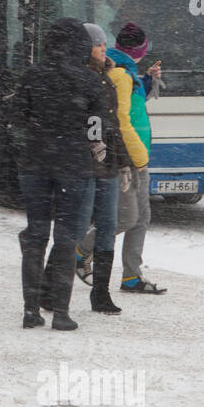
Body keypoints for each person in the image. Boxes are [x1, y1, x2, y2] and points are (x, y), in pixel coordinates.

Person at [9, 19, 109, 331]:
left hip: (35, 164)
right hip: (74, 166)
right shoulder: (90, 81)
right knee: (66, 238)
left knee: (36, 234)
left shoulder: (32, 75)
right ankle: (61, 313)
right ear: (80, 45)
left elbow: (15, 116)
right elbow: (98, 128)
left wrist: (36, 137)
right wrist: (96, 154)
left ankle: (30, 311)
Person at [101, 21, 166, 295]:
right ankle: (82, 249)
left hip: (134, 152)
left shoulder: (126, 70)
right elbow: (121, 118)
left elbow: (133, 104)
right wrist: (136, 157)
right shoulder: (119, 72)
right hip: (127, 155)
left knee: (140, 217)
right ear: (141, 50)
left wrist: (148, 79)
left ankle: (131, 276)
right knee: (128, 217)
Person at [67, 24, 125, 315]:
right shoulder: (81, 78)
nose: (104, 49)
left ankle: (100, 292)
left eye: (105, 44)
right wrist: (92, 143)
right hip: (87, 164)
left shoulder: (106, 77)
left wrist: (122, 163)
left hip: (109, 163)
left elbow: (114, 124)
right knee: (77, 227)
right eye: (97, 45)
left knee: (108, 226)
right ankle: (54, 285)